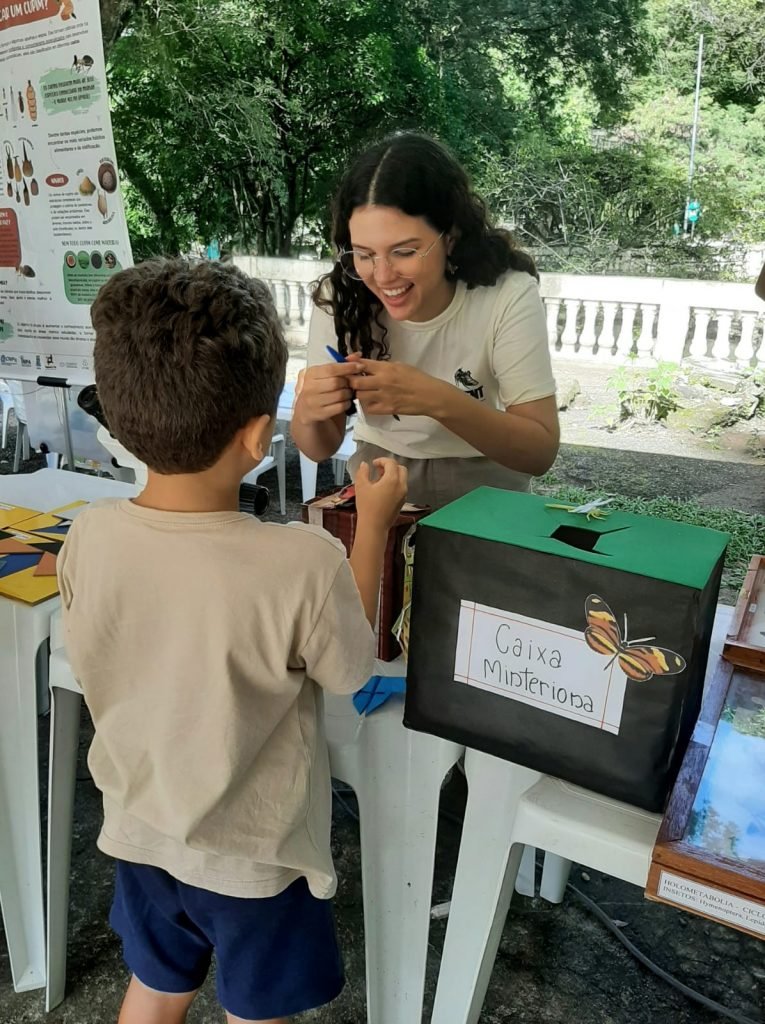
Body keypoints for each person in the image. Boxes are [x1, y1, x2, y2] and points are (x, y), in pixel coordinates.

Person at [58, 258, 407, 1024]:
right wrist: (374, 525)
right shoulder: (300, 561)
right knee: (255, 1012)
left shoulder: (89, 534)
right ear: (257, 436)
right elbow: (349, 667)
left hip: (139, 833)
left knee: (156, 988)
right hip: (255, 860)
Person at [291, 132, 560, 509]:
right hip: (381, 480)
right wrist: (309, 410)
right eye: (364, 254)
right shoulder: (341, 297)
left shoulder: (506, 294)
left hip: (489, 487)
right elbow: (320, 447)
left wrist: (435, 399)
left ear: (450, 236)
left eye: (403, 252)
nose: (382, 276)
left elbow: (540, 451)